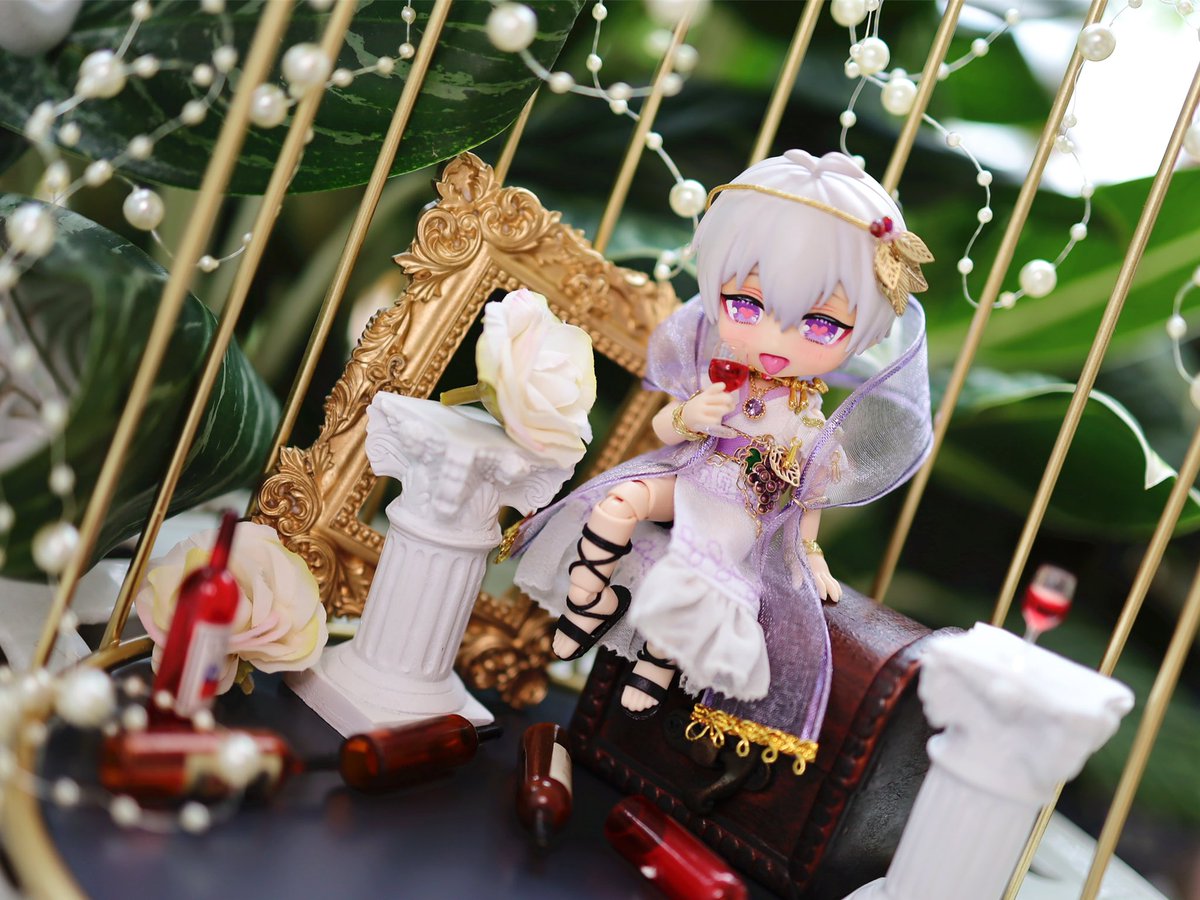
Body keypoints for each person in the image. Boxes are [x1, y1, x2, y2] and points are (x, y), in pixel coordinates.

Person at [511, 149, 933, 770]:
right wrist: (692, 415)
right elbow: (663, 427)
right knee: (616, 501)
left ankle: (655, 667)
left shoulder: (808, 419)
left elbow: (810, 490)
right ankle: (589, 599)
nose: (773, 338)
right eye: (746, 306)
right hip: (691, 471)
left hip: (742, 510)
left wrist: (809, 551)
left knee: (696, 577)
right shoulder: (722, 375)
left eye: (821, 325)